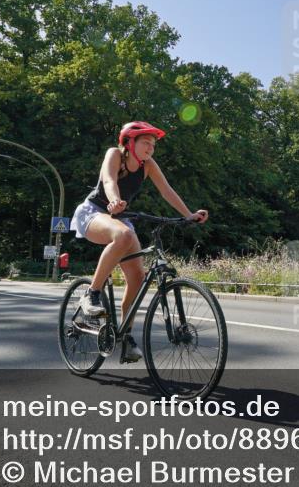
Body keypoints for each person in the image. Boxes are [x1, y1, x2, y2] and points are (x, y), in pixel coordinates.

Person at [71, 121, 208, 363]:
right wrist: (114, 200)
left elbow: (167, 191)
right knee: (123, 235)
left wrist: (188, 215)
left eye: (153, 145)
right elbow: (109, 181)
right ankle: (92, 294)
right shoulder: (114, 154)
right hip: (93, 213)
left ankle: (126, 337)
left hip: (121, 219)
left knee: (137, 277)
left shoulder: (148, 166)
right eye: (146, 143)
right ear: (129, 142)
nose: (151, 148)